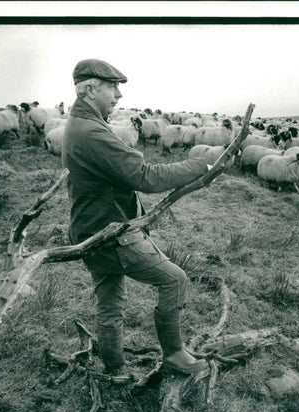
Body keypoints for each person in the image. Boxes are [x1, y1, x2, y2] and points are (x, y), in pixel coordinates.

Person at [62, 58, 210, 376]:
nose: (118, 95)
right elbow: (145, 177)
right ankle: (174, 354)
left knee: (110, 302)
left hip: (88, 230)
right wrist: (200, 165)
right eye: (112, 87)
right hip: (111, 233)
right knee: (175, 280)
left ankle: (115, 367)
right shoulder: (91, 132)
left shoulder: (81, 124)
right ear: (89, 89)